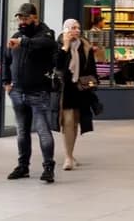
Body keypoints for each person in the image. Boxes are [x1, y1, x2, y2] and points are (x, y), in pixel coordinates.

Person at [2, 3, 59, 183]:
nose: (22, 22)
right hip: (18, 92)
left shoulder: (46, 35)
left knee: (43, 130)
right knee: (22, 131)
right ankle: (22, 166)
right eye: (20, 18)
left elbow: (46, 43)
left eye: (26, 18)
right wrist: (6, 82)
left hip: (39, 92)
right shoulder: (16, 37)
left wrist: (22, 42)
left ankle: (48, 167)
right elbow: (6, 60)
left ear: (35, 18)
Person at [56, 19, 99, 171]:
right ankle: (68, 157)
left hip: (80, 88)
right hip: (65, 89)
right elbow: (57, 65)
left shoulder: (85, 46)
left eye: (78, 28)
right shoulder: (59, 44)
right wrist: (65, 47)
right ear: (66, 29)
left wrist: (93, 84)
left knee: (74, 122)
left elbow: (92, 68)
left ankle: (70, 153)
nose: (77, 30)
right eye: (73, 28)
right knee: (67, 122)